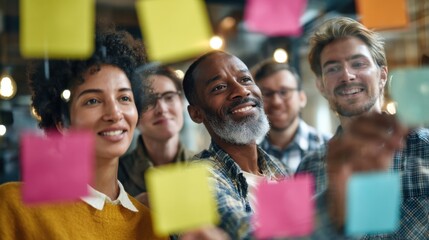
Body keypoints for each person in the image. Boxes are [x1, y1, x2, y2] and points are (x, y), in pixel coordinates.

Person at [0, 29, 227, 240]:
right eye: (93, 101)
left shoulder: (151, 224)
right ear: (63, 123)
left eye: (124, 98)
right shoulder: (13, 206)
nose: (114, 113)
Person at [297, 17, 429, 239]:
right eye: (333, 68)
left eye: (358, 64)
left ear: (382, 75)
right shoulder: (308, 169)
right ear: (321, 85)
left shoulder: (425, 150)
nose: (347, 75)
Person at [182, 50, 289, 239]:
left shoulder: (278, 168)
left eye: (245, 79)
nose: (241, 91)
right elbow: (244, 233)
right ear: (196, 113)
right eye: (219, 87)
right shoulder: (194, 179)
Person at [118, 66, 195, 203]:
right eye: (149, 101)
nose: (162, 109)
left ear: (182, 102)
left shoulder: (207, 167)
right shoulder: (116, 175)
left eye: (169, 97)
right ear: (134, 113)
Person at [251, 60, 331, 173]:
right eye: (267, 94)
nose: (276, 102)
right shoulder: (250, 154)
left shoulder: (330, 148)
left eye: (284, 92)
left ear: (302, 98)